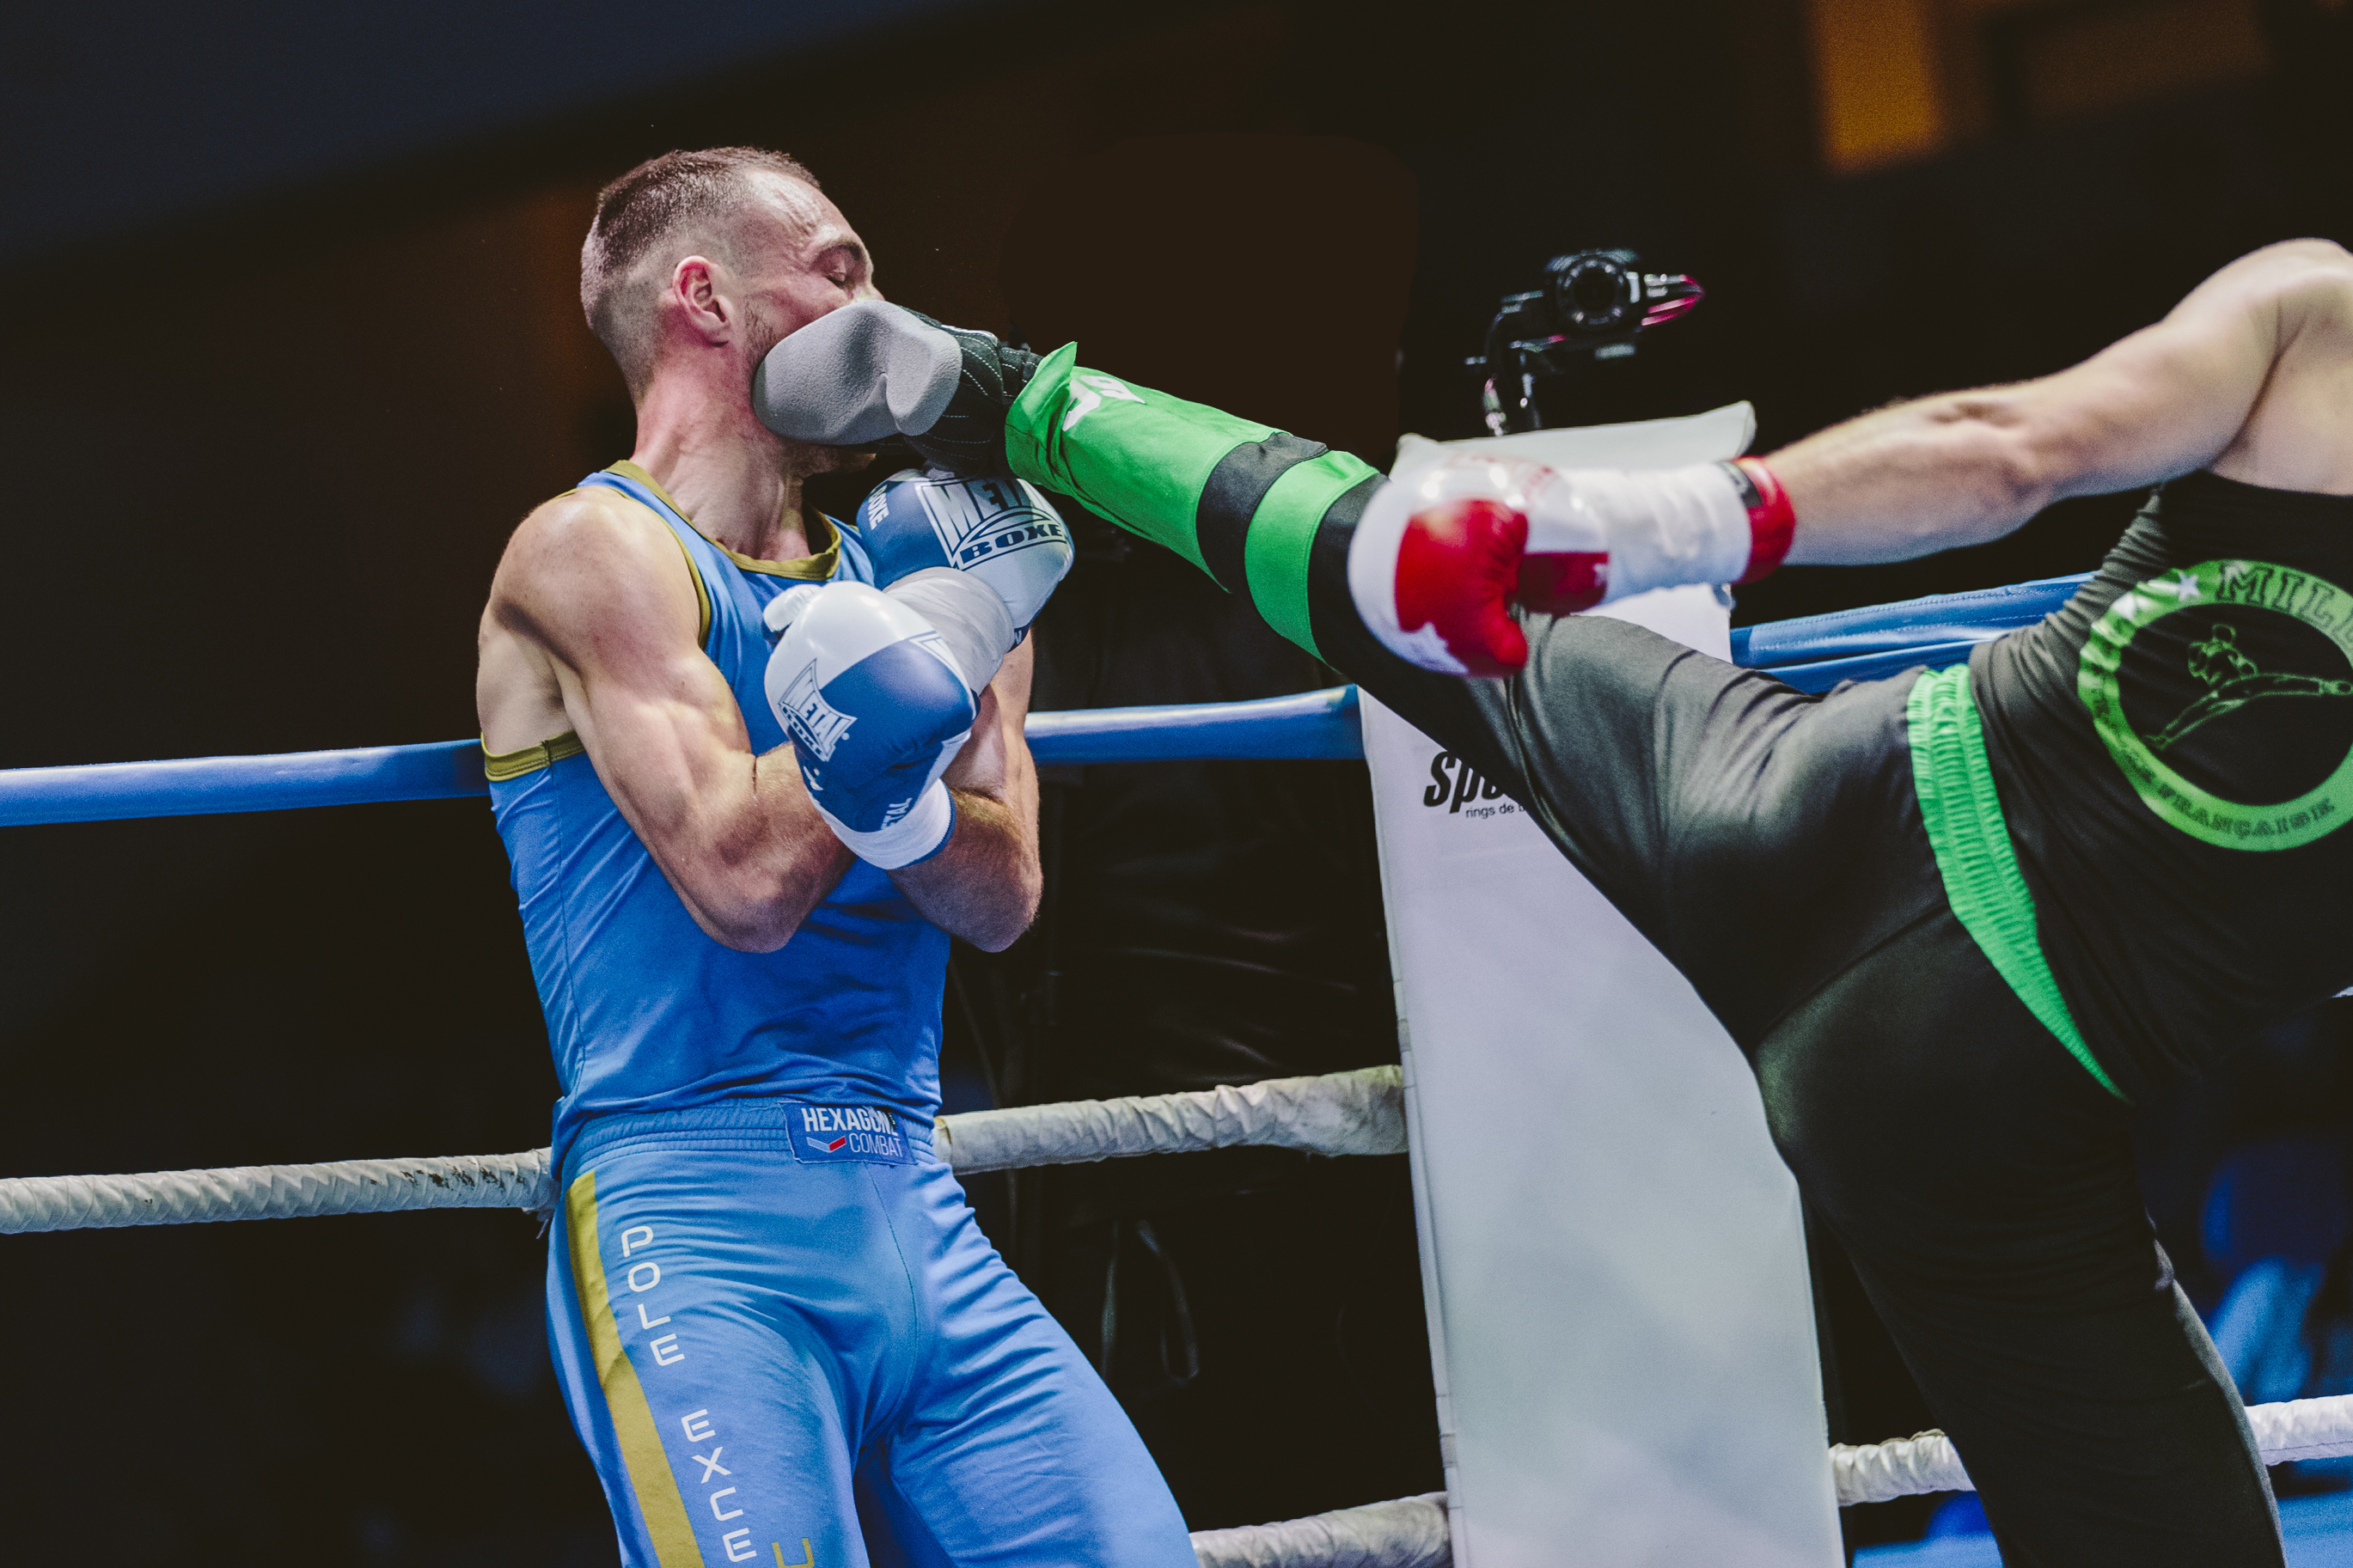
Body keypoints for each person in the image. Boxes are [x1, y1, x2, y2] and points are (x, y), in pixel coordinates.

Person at [752, 238, 2353, 1564]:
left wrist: (1607, 529)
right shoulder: (2319, 317)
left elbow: (2010, 450)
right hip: (1977, 1111)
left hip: (1804, 810)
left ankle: (1008, 396)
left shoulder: (2314, 316)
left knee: (1391, 581)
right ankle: (1008, 397)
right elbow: (2014, 453)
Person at [474, 147, 1196, 1568]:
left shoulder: (937, 563)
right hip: (695, 1219)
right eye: (839, 269)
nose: (886, 311)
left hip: (914, 1204)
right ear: (705, 298)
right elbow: (741, 883)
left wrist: (923, 741)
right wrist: (906, 674)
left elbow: (1005, 899)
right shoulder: (592, 554)